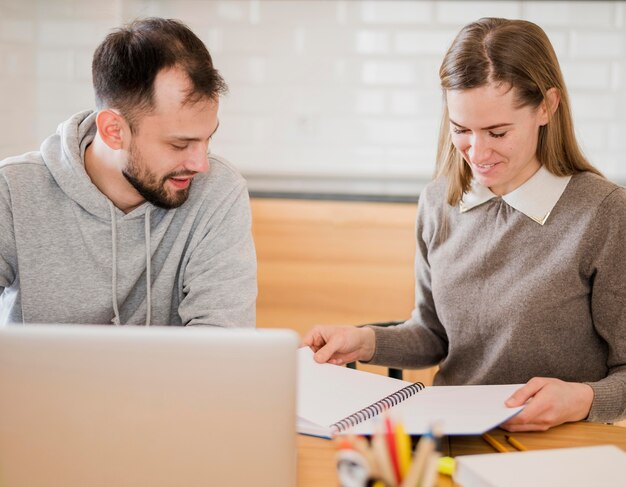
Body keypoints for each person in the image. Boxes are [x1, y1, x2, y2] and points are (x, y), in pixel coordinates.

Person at [304, 17, 626, 431]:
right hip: (451, 437)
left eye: (497, 132)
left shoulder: (604, 213)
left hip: (558, 445)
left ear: (546, 106)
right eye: (462, 130)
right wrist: (363, 341)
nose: (478, 152)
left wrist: (583, 398)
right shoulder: (438, 202)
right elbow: (433, 335)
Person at [0, 18, 256, 327]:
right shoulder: (13, 190)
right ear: (113, 131)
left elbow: (222, 342)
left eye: (207, 138)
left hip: (174, 379)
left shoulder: (218, 191)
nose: (201, 164)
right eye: (179, 144)